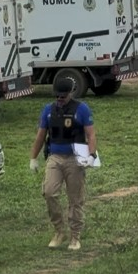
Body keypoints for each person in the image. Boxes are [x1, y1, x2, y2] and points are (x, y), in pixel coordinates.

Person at [28, 76, 98, 251]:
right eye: (57, 96)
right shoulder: (48, 110)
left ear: (70, 93)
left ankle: (75, 236)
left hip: (75, 158)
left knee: (75, 199)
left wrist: (91, 155)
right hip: (55, 157)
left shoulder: (81, 109)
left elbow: (91, 135)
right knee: (49, 192)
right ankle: (59, 231)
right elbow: (40, 136)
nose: (59, 99)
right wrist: (33, 158)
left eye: (63, 96)